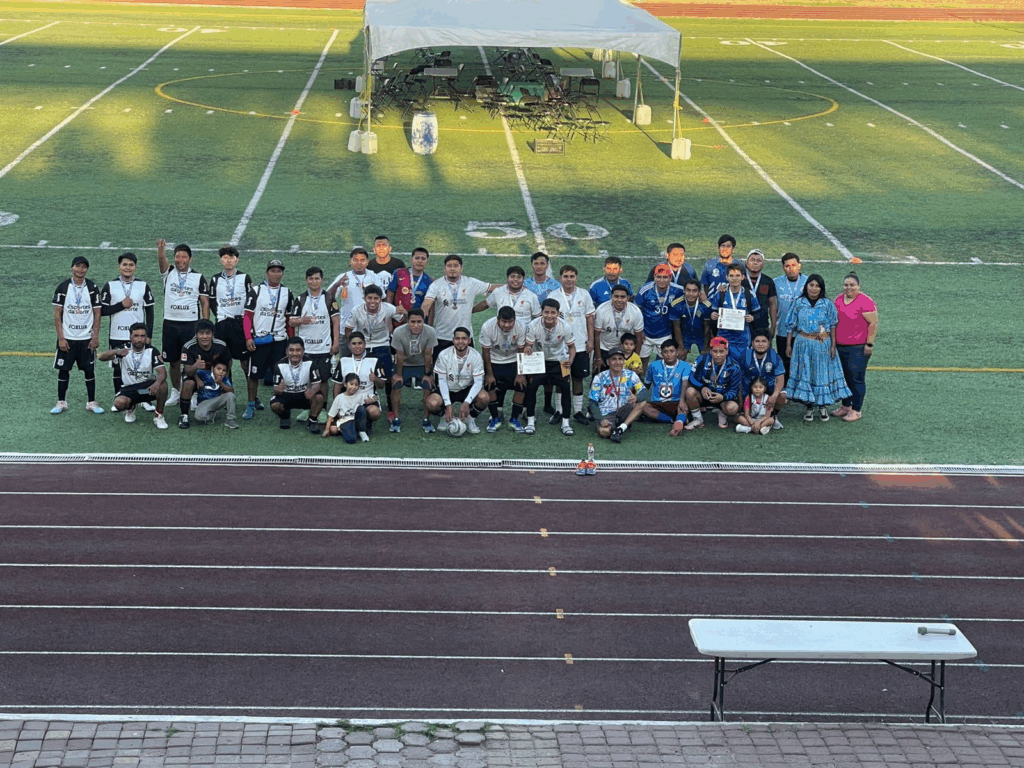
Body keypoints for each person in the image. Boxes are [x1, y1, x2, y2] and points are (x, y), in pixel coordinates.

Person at [784, 274, 851, 422]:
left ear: (821, 288)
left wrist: (833, 345)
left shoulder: (827, 304)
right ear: (806, 286)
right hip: (803, 344)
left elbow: (833, 325)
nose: (814, 289)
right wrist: (788, 345)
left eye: (817, 286)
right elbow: (790, 325)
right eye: (811, 285)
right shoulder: (798, 303)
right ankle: (808, 407)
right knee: (806, 374)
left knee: (820, 374)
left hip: (822, 345)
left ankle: (822, 406)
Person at [157, 239, 209, 407]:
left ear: (190, 259)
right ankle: (176, 391)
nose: (180, 260)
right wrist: (161, 249)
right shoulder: (168, 273)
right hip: (170, 323)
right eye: (177, 256)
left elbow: (204, 302)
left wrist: (205, 325)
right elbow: (161, 261)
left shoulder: (198, 277)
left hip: (190, 324)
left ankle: (193, 393)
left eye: (184, 257)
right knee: (173, 361)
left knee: (191, 360)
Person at [100, 251, 155, 408]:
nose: (128, 267)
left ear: (135, 267)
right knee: (118, 369)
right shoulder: (110, 286)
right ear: (119, 267)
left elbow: (150, 312)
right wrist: (121, 305)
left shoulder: (143, 286)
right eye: (124, 264)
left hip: (139, 336)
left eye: (131, 265)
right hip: (117, 334)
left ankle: (144, 400)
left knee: (144, 368)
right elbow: (102, 311)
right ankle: (119, 397)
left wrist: (149, 335)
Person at [52, 255, 104, 415]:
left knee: (89, 371)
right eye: (78, 266)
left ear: (87, 269)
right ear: (72, 268)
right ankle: (61, 402)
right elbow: (57, 314)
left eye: (84, 267)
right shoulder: (63, 287)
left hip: (86, 338)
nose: (81, 269)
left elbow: (97, 313)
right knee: (63, 370)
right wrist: (61, 338)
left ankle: (91, 402)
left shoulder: (93, 288)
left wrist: (95, 336)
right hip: (68, 338)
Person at [242, 259, 294, 420]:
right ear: (267, 273)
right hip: (260, 340)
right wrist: (248, 337)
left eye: (279, 271)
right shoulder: (256, 291)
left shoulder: (287, 292)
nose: (276, 274)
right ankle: (251, 405)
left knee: (281, 375)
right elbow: (247, 316)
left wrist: (291, 342)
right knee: (253, 375)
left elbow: (289, 320)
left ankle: (282, 406)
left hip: (279, 340)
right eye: (273, 271)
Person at [345, 284, 401, 422]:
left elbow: (401, 320)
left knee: (387, 378)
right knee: (362, 376)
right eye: (369, 298)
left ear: (381, 299)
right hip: (364, 346)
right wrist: (353, 344)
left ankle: (391, 410)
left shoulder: (388, 308)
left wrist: (403, 313)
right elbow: (348, 329)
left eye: (376, 298)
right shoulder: (357, 310)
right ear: (364, 298)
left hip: (382, 345)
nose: (372, 301)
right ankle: (355, 404)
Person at [549, 264, 596, 425]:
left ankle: (577, 411)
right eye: (565, 276)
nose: (569, 279)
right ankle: (559, 411)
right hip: (561, 347)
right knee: (561, 378)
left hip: (581, 345)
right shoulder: (554, 295)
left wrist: (591, 340)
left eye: (572, 276)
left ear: (576, 278)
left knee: (578, 378)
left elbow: (590, 318)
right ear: (560, 278)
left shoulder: (584, 294)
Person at [97, 322, 168, 428]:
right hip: (129, 389)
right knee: (119, 403)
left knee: (163, 385)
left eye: (142, 336)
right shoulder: (124, 349)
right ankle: (130, 407)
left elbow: (162, 372)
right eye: (136, 336)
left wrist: (157, 384)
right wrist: (116, 352)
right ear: (130, 336)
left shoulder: (152, 351)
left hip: (146, 389)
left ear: (146, 337)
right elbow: (101, 357)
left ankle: (159, 415)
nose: (139, 339)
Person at [420, 255, 497, 352]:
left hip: (465, 336)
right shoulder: (436, 285)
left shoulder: (470, 283)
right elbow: (426, 304)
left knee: (468, 362)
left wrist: (511, 286)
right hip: (442, 336)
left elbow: (492, 288)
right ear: (444, 268)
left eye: (456, 266)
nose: (452, 269)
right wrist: (420, 318)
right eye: (449, 266)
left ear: (461, 268)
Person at [522, 299, 576, 436]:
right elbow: (528, 345)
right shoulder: (533, 325)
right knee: (531, 388)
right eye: (546, 312)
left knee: (565, 389)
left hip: (560, 360)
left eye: (553, 312)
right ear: (541, 312)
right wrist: (527, 348)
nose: (549, 315)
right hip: (539, 360)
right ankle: (530, 421)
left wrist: (570, 361)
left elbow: (572, 347)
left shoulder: (565, 326)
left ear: (558, 313)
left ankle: (566, 423)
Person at [289, 266, 340, 411]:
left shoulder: (329, 298)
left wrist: (336, 342)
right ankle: (308, 408)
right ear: (306, 281)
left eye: (317, 278)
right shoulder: (300, 299)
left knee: (323, 379)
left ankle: (322, 409)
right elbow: (291, 322)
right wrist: (301, 321)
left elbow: (336, 321)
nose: (314, 281)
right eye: (311, 278)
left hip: (324, 347)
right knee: (307, 379)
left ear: (322, 280)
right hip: (305, 348)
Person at [425, 327, 490, 434]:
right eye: (457, 338)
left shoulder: (476, 356)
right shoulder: (444, 355)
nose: (460, 341)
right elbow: (442, 381)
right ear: (453, 340)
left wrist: (467, 402)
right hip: (448, 389)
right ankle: (445, 417)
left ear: (469, 341)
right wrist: (448, 405)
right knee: (431, 403)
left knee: (484, 397)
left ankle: (470, 418)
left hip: (466, 389)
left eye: (464, 338)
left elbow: (478, 383)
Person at [832, 272, 878, 422]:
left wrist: (869, 344)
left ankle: (856, 409)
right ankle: (845, 406)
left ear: (858, 286)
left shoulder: (865, 301)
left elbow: (873, 323)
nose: (849, 288)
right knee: (844, 378)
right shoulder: (838, 300)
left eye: (852, 285)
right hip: (840, 346)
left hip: (857, 348)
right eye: (846, 285)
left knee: (856, 378)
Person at [327, 247, 390, 349]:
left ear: (367, 262)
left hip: (370, 328)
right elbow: (327, 297)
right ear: (350, 261)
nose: (359, 263)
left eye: (362, 260)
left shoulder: (373, 277)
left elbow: (382, 299)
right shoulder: (344, 277)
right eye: (355, 260)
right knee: (346, 357)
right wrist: (337, 284)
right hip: (347, 327)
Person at [207, 245, 252, 387]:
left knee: (245, 362)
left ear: (237, 260)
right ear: (221, 260)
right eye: (225, 257)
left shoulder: (244, 277)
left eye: (231, 257)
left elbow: (251, 300)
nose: (228, 260)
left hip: (239, 323)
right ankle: (226, 390)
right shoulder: (215, 279)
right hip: (222, 324)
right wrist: (220, 314)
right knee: (224, 361)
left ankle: (252, 395)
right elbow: (212, 301)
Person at [523, 251, 561, 415]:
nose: (539, 266)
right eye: (536, 263)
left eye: (542, 263)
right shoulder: (525, 284)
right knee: (530, 369)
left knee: (549, 366)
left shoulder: (555, 285)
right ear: (532, 265)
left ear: (547, 265)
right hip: (530, 331)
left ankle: (547, 403)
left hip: (549, 331)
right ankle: (526, 406)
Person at [480, 306, 528, 433]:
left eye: (510, 322)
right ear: (498, 320)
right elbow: (486, 352)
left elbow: (521, 351)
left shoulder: (521, 327)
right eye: (503, 321)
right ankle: (495, 418)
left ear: (514, 320)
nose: (507, 325)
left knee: (522, 385)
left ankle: (514, 419)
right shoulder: (487, 327)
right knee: (490, 385)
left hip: (513, 360)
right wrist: (489, 374)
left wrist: (520, 374)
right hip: (494, 360)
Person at [390, 308, 438, 434]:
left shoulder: (430, 331)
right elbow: (400, 355)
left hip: (422, 364)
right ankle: (396, 419)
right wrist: (399, 375)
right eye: (413, 322)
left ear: (423, 321)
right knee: (396, 385)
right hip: (404, 364)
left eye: (419, 322)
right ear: (407, 321)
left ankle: (426, 420)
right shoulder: (398, 332)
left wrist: (428, 374)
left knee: (428, 385)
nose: (416, 325)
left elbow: (428, 355)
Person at [178, 319, 232, 429]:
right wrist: (195, 366)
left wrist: (222, 377)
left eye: (208, 333)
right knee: (188, 383)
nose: (204, 336)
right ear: (196, 334)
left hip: (214, 374)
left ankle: (225, 408)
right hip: (195, 375)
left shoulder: (221, 346)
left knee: (228, 386)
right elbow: (187, 371)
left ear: (213, 334)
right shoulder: (188, 347)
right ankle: (184, 415)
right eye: (201, 333)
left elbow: (228, 363)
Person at [588, 346, 645, 443]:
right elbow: (592, 403)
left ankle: (621, 428)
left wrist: (636, 397)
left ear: (624, 361)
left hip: (625, 410)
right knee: (604, 432)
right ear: (608, 362)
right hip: (607, 414)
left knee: (642, 402)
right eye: (614, 359)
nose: (617, 362)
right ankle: (617, 428)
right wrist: (600, 419)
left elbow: (645, 393)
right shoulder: (599, 378)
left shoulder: (631, 375)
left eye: (620, 359)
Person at [684, 336, 742, 430]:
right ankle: (698, 419)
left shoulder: (734, 367)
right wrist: (702, 388)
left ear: (727, 351)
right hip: (704, 395)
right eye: (715, 351)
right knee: (689, 391)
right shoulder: (702, 359)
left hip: (722, 399)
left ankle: (722, 413)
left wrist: (723, 397)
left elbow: (734, 391)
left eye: (721, 351)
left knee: (733, 408)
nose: (718, 355)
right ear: (710, 351)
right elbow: (691, 377)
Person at [330, 332, 384, 432]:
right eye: (354, 344)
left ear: (365, 344)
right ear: (349, 346)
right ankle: (355, 424)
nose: (357, 346)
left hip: (367, 399)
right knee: (333, 430)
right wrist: (337, 404)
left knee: (375, 412)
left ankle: (365, 422)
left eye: (360, 343)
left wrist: (376, 379)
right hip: (348, 399)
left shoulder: (374, 360)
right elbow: (337, 385)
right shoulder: (343, 360)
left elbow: (382, 385)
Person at [635, 264, 684, 373]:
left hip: (665, 334)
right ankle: (641, 381)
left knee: (666, 363)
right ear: (654, 277)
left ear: (670, 278)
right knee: (642, 363)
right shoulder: (645, 290)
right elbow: (637, 311)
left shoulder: (678, 290)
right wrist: (639, 331)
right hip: (646, 334)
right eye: (659, 277)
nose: (662, 280)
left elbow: (692, 293)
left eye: (665, 277)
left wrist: (701, 294)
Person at [270, 337, 325, 433]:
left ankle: (312, 421)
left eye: (298, 350)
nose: (295, 353)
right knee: (275, 405)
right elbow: (275, 388)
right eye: (291, 350)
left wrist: (312, 391)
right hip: (286, 395)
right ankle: (285, 416)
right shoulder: (279, 365)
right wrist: (279, 389)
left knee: (319, 397)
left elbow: (317, 383)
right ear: (286, 352)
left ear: (303, 351)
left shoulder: (311, 363)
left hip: (304, 394)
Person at [709, 263, 758, 365]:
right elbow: (713, 311)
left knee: (742, 366)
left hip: (742, 339)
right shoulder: (720, 293)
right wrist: (713, 315)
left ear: (743, 277)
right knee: (722, 364)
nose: (734, 278)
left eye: (737, 275)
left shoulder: (749, 294)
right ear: (727, 277)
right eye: (731, 276)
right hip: (723, 337)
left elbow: (758, 314)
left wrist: (752, 317)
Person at [642, 339, 692, 436]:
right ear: (661, 353)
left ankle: (679, 422)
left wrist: (682, 400)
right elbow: (646, 384)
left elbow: (685, 383)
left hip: (677, 401)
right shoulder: (653, 366)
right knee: (643, 407)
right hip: (658, 402)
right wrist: (639, 399)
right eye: (665, 352)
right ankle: (673, 420)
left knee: (684, 407)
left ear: (677, 352)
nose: (668, 354)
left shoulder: (685, 366)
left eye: (671, 351)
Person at [593, 284, 644, 373]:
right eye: (616, 296)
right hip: (604, 348)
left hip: (624, 350)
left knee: (625, 378)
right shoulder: (601, 310)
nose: (619, 300)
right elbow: (596, 335)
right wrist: (598, 357)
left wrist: (635, 357)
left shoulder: (635, 311)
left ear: (628, 298)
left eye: (623, 297)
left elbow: (639, 336)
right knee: (600, 376)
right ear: (611, 297)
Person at [742, 330, 787, 430]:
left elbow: (780, 379)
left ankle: (773, 415)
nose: (760, 344)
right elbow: (738, 377)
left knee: (782, 395)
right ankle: (749, 417)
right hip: (749, 390)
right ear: (752, 343)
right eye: (757, 341)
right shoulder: (745, 355)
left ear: (769, 343)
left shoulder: (774, 356)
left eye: (764, 341)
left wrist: (774, 395)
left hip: (768, 389)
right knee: (737, 409)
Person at [773, 252, 807, 379]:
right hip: (782, 331)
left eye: (794, 265)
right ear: (783, 268)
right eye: (787, 266)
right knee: (785, 364)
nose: (791, 268)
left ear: (799, 265)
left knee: (803, 365)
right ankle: (786, 389)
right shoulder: (776, 282)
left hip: (803, 332)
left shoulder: (808, 282)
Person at [475, 265, 540, 323]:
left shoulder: (531, 296)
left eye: (519, 277)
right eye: (512, 276)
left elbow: (537, 318)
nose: (515, 279)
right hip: (502, 329)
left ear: (523, 279)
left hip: (523, 331)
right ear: (507, 278)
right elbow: (486, 303)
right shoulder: (498, 292)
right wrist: (470, 310)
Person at [671, 279, 713, 361]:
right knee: (680, 356)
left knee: (706, 358)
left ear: (699, 292)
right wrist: (680, 347)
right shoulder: (676, 305)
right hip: (684, 335)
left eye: (694, 291)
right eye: (688, 290)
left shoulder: (706, 306)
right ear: (684, 291)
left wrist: (706, 347)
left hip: (701, 336)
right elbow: (676, 327)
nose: (691, 294)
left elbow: (707, 327)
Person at [323, 372, 370, 443]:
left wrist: (373, 399)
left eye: (356, 385)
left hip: (356, 420)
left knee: (361, 408)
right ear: (345, 384)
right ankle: (347, 431)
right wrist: (327, 429)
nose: (354, 387)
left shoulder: (360, 395)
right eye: (351, 384)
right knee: (351, 439)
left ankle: (362, 431)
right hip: (345, 421)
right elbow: (331, 416)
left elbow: (373, 397)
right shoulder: (339, 398)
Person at [743, 249, 777, 343]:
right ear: (746, 263)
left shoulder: (768, 281)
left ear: (763, 264)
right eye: (752, 260)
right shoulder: (740, 279)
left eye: (758, 260)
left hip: (762, 324)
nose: (755, 263)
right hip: (742, 324)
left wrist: (773, 326)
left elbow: (772, 304)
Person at [386, 247, 432, 314]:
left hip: (417, 318)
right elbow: (390, 294)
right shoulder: (399, 273)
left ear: (427, 262)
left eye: (423, 259)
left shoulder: (429, 280)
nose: (420, 261)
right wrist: (390, 312)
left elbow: (430, 305)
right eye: (417, 258)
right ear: (411, 259)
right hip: (399, 316)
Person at [193, 360, 238, 428]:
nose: (221, 372)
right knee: (199, 417)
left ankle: (230, 419)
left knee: (230, 395)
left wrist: (220, 383)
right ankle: (212, 414)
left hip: (217, 401)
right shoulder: (205, 374)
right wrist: (198, 380)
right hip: (204, 402)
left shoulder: (224, 379)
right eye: (218, 369)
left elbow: (231, 391)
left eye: (223, 370)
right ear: (212, 368)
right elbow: (193, 373)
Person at [700, 234, 744, 299]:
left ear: (733, 249)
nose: (725, 249)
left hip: (733, 303)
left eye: (728, 246)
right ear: (718, 247)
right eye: (723, 246)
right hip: (712, 303)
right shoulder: (709, 266)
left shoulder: (740, 266)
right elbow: (705, 288)